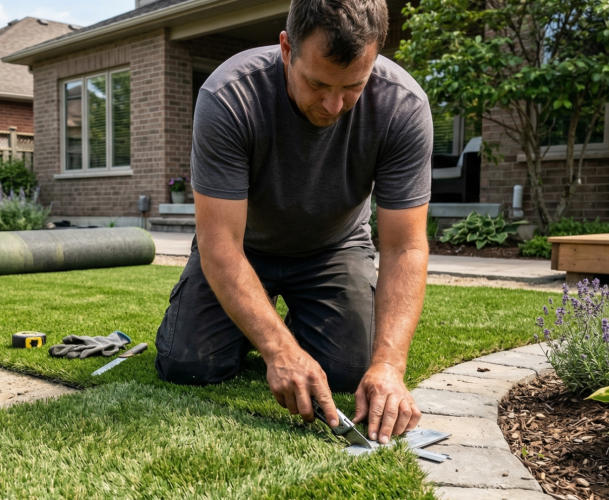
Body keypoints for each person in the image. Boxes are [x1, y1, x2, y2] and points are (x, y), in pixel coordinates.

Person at [155, 0, 431, 445]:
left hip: (335, 248)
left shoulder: (403, 106)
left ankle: (293, 324)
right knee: (188, 365)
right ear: (287, 49)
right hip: (244, 248)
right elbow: (219, 242)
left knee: (349, 370)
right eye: (317, 83)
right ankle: (262, 322)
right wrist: (278, 350)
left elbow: (405, 247)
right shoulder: (229, 96)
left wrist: (389, 365)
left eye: (353, 86)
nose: (334, 105)